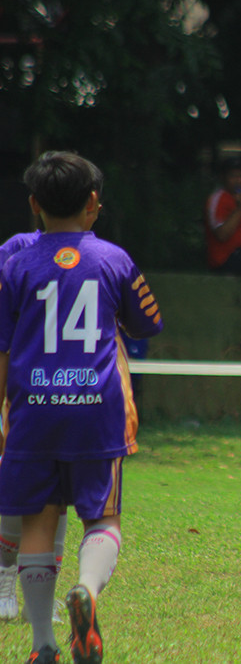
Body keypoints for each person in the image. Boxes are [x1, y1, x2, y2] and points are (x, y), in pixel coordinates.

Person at [0, 151, 163, 664]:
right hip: (96, 410)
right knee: (103, 518)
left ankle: (43, 645)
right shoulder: (113, 259)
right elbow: (148, 323)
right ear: (94, 203)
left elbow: (3, 351)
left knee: (37, 524)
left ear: (33, 206)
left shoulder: (14, 266)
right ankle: (88, 590)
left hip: (33, 412)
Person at [0, 229, 70, 626]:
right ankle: (4, 574)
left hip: (70, 389)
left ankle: (41, 597)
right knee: (21, 486)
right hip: (25, 388)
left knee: (58, 494)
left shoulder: (93, 252)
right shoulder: (18, 248)